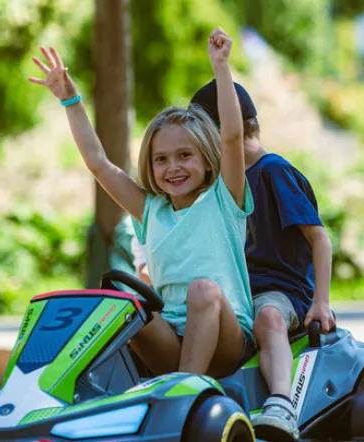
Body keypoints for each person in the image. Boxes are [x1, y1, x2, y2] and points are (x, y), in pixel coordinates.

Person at [28, 27, 256, 379]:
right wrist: (70, 100)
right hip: (173, 340)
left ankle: (186, 390)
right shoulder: (152, 211)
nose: (173, 167)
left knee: (203, 290)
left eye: (184, 155)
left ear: (208, 160)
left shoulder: (224, 200)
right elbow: (99, 164)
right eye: (161, 159)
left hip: (227, 338)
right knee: (124, 304)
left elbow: (232, 136)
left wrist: (221, 68)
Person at [132, 79, 335, 440]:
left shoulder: (271, 172)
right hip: (235, 292)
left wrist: (321, 302)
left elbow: (319, 238)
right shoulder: (204, 192)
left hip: (277, 291)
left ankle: (281, 403)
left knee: (267, 315)